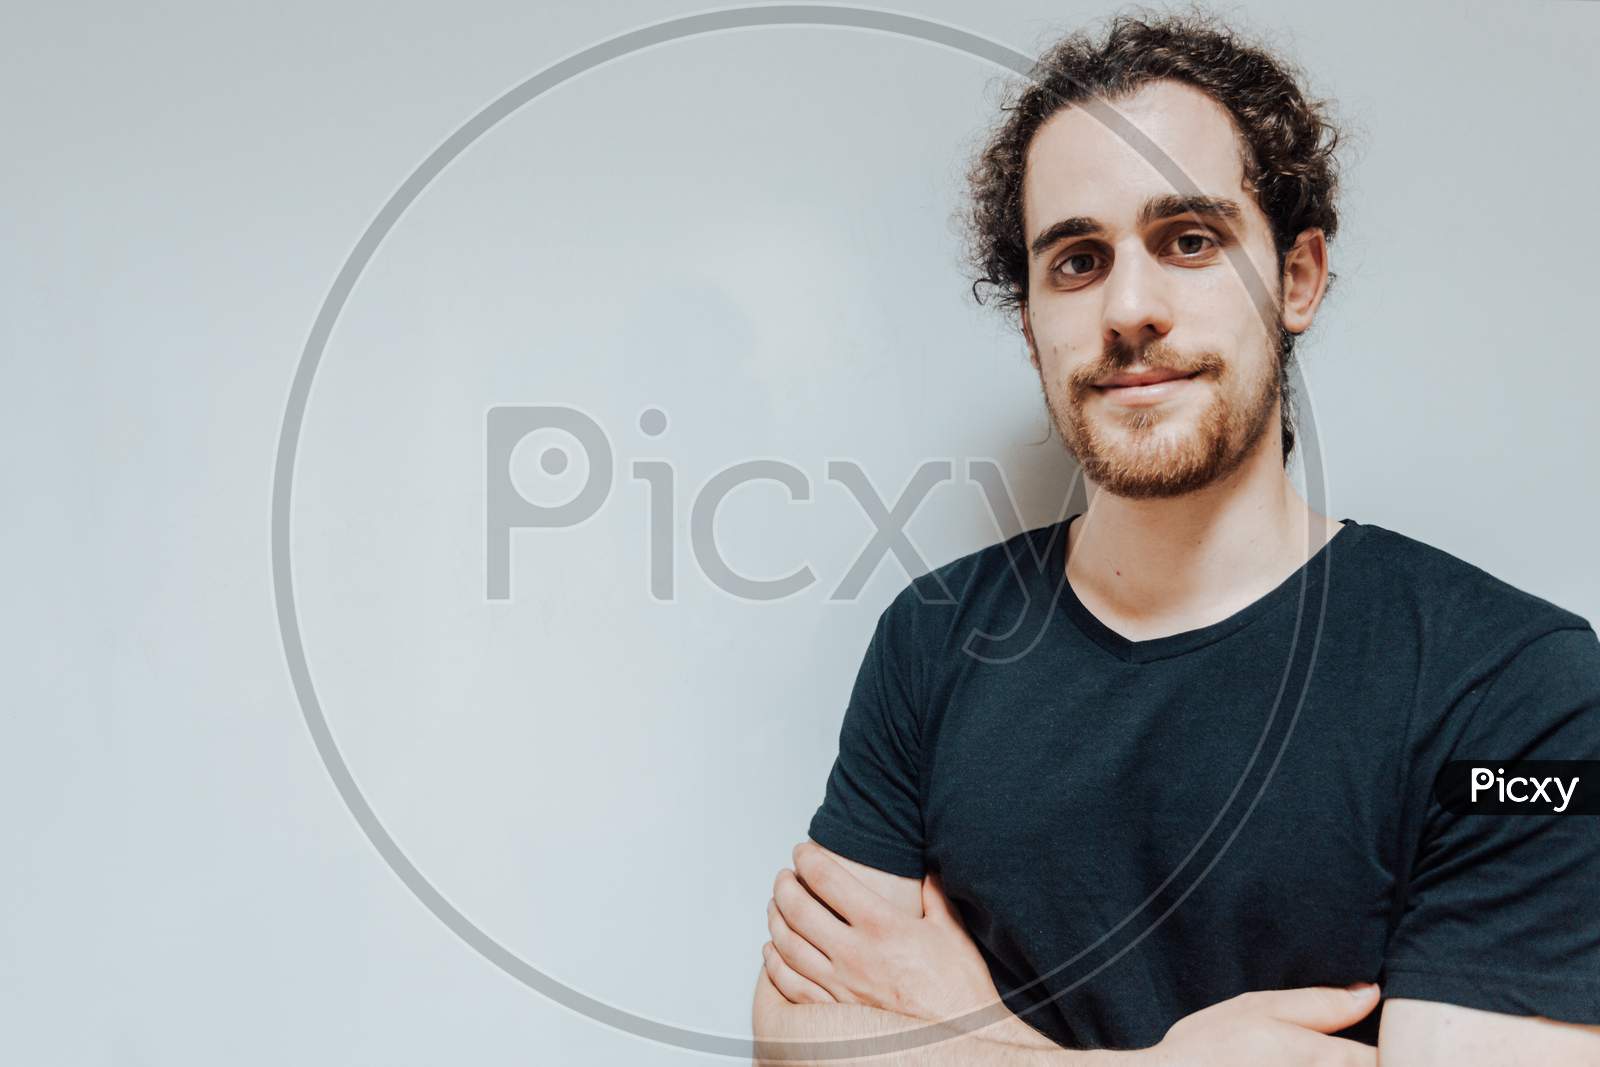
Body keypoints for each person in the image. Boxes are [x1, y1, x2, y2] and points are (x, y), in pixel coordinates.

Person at [751, 9, 1600, 1066]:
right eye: (1075, 260)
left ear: (1296, 278)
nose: (1129, 306)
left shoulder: (1518, 697)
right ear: (1030, 325)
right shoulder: (933, 638)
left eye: (1187, 240)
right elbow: (797, 1034)